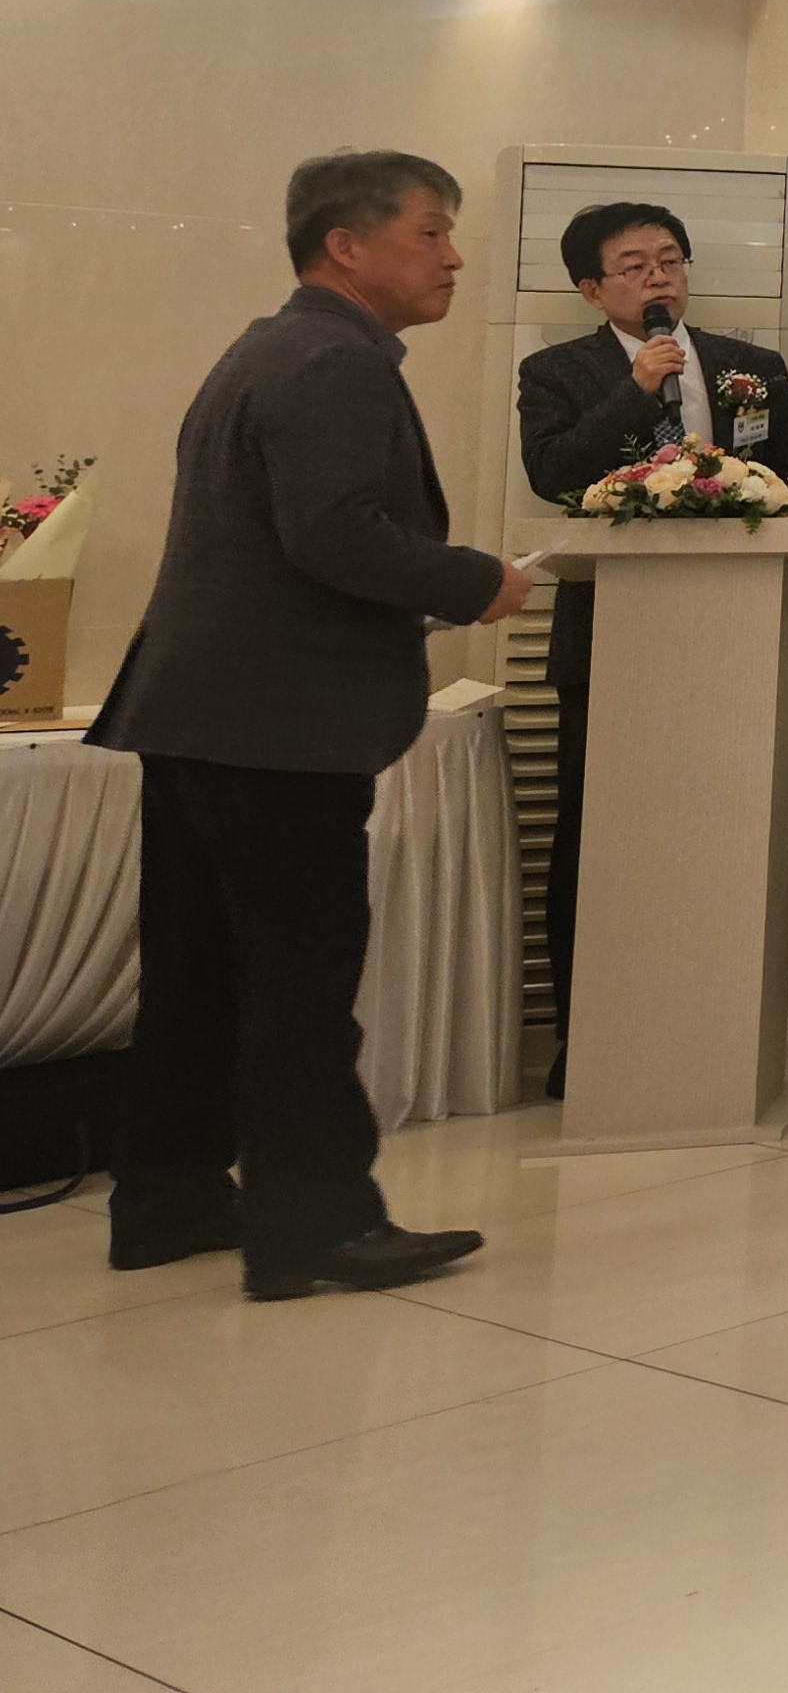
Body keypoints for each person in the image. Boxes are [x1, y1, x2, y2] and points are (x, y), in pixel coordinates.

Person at [90, 151, 516, 1300]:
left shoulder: (270, 346)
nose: (454, 257)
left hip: (203, 710)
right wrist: (478, 580)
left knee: (200, 973)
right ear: (347, 245)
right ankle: (317, 1224)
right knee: (295, 981)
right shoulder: (335, 359)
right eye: (431, 232)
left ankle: (169, 1198)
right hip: (277, 722)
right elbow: (334, 534)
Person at [514, 197, 788, 1097]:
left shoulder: (752, 368)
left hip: (731, 637)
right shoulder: (555, 370)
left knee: (720, 826)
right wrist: (635, 389)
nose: (658, 277)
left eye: (670, 260)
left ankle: (711, 1022)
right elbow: (555, 475)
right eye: (636, 265)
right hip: (608, 637)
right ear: (591, 287)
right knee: (594, 834)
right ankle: (585, 1037)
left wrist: (740, 491)